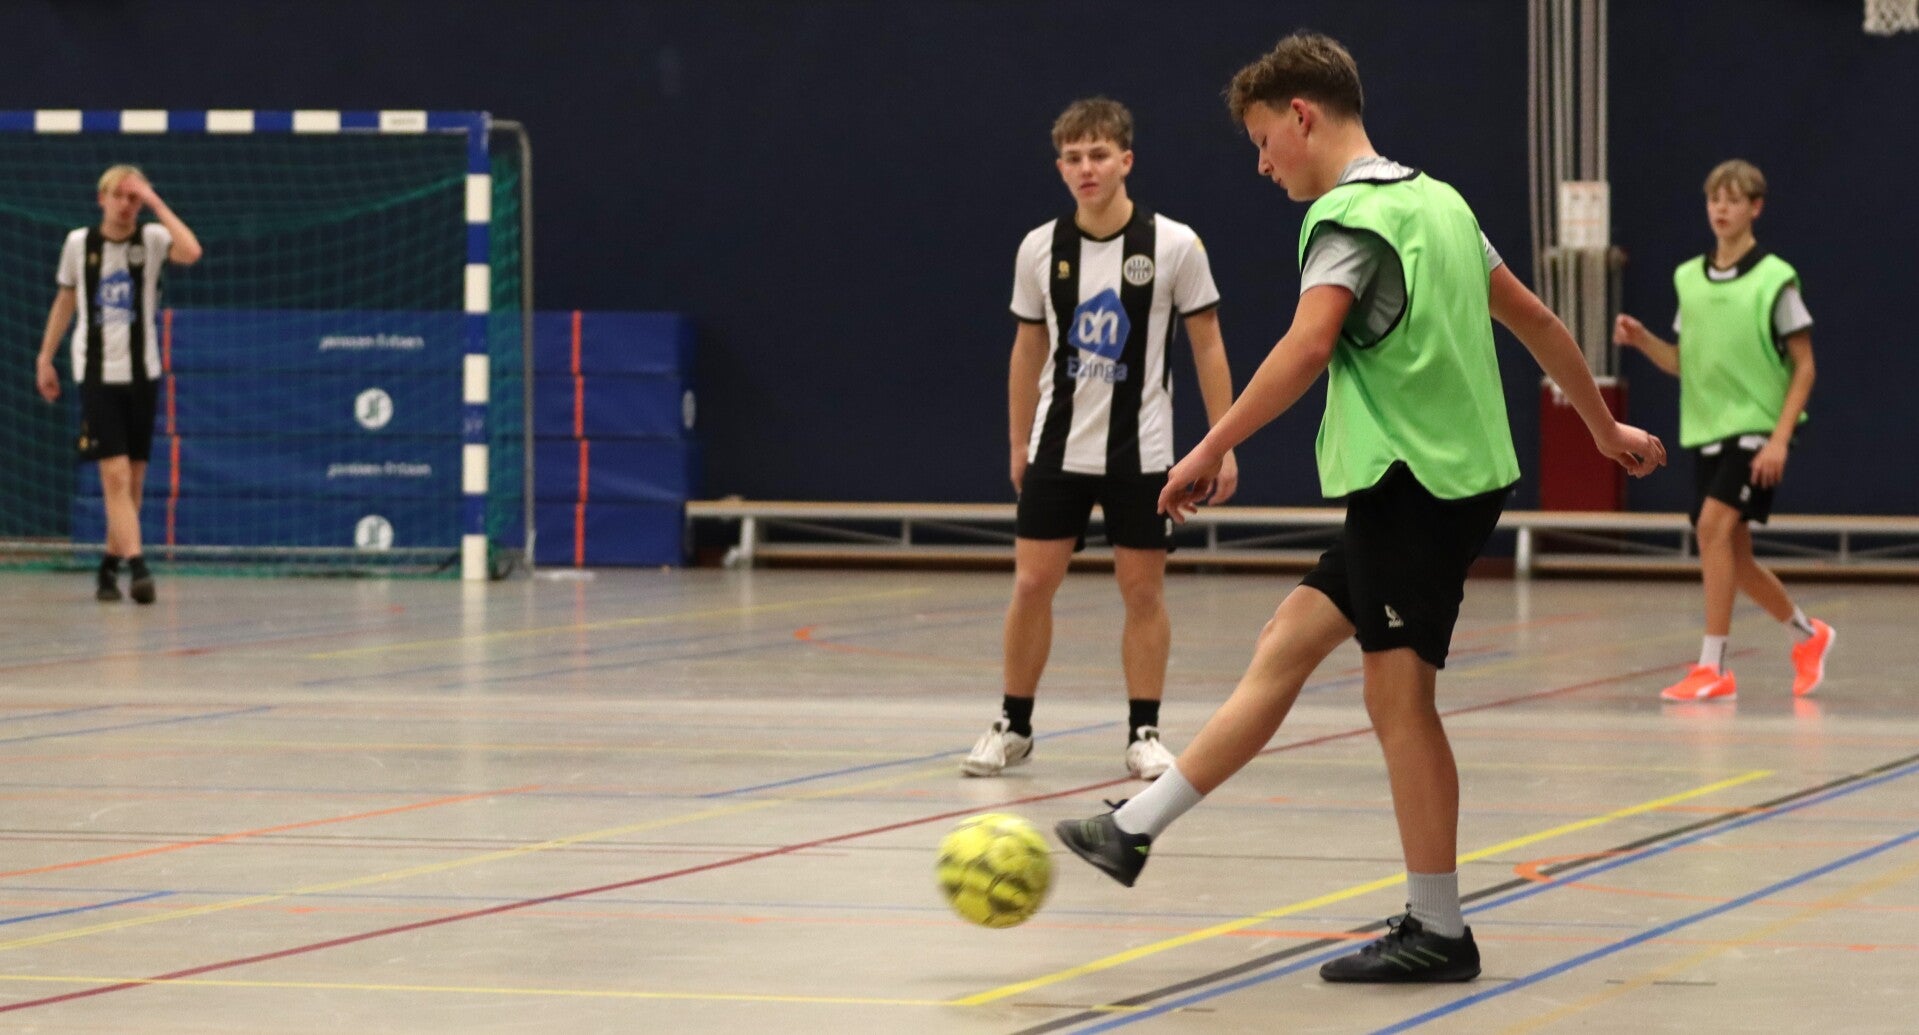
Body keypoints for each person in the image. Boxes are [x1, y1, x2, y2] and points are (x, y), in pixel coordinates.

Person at [1054, 32, 1666, 983]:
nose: (1262, 166)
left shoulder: (1344, 218)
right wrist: (1600, 426)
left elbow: (1306, 346)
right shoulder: (1441, 202)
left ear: (1301, 115)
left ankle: (1439, 928)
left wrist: (1209, 447)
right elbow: (1539, 321)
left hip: (1411, 481)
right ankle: (1132, 826)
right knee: (1287, 639)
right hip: (1452, 479)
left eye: (1263, 141)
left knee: (1398, 698)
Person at [963, 97, 1240, 781]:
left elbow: (1207, 344)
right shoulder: (1039, 248)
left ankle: (1144, 732)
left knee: (1141, 591)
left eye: (1098, 154)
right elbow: (1027, 349)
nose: (1085, 167)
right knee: (1032, 583)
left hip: (1141, 452)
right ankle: (1014, 725)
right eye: (1072, 157)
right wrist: (1018, 442)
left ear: (1126, 160)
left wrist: (1222, 443)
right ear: (1060, 168)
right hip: (1058, 448)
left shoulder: (1174, 245)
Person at [1613, 159, 1834, 702]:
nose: (1722, 209)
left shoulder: (1776, 279)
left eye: (1734, 200)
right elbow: (1684, 361)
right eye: (1715, 199)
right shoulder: (1689, 279)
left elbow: (1805, 366)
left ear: (1755, 208)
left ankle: (1713, 668)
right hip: (1707, 430)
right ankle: (1808, 634)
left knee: (1710, 528)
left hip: (1757, 430)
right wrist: (1643, 341)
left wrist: (1779, 439)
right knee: (1735, 557)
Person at [34, 165, 203, 603]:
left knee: (133, 481)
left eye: (133, 198)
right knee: (114, 475)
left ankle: (109, 565)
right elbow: (65, 300)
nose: (126, 205)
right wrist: (45, 357)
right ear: (102, 199)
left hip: (142, 373)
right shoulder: (79, 243)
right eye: (119, 196)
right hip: (96, 373)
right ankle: (139, 567)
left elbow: (191, 251)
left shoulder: (152, 239)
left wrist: (155, 201)